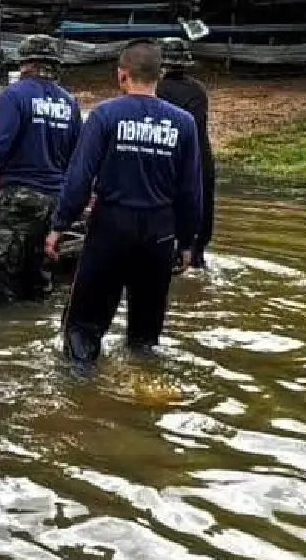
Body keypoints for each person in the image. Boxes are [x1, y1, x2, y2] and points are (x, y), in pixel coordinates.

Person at [47, 39, 202, 363]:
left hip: (110, 228)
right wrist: (188, 242)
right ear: (158, 76)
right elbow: (191, 190)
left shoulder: (105, 115)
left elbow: (78, 179)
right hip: (159, 234)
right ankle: (142, 390)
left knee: (83, 328)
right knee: (145, 336)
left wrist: (59, 225)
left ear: (122, 75)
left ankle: (79, 394)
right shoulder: (184, 123)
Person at [0, 35, 83, 306]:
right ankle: (34, 326)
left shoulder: (14, 95)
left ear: (25, 63)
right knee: (38, 274)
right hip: (55, 200)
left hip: (19, 196)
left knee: (0, 268)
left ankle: (2, 325)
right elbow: (76, 157)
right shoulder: (70, 103)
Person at [155, 38, 216, 269]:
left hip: (171, 167)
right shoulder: (199, 90)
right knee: (195, 247)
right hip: (202, 164)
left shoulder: (157, 91)